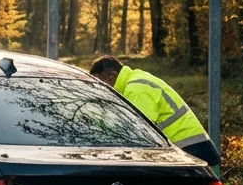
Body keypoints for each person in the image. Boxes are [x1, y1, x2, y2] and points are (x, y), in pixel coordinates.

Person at [88, 56, 222, 165]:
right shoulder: (135, 79)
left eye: (101, 83)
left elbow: (141, 131)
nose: (101, 89)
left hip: (191, 150)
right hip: (190, 148)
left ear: (111, 75)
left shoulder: (136, 89)